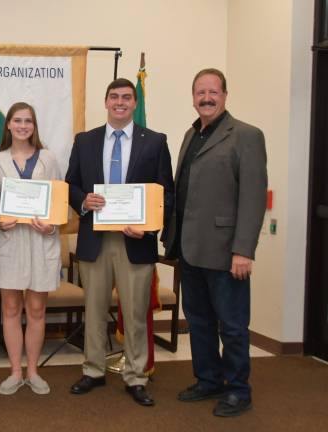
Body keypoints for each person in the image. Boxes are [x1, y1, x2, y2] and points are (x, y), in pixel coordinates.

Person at [163, 68, 267, 417]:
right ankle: (208, 380)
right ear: (193, 97)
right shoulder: (191, 135)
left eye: (213, 91)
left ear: (225, 95)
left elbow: (252, 198)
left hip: (226, 252)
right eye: (200, 92)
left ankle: (239, 389)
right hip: (190, 249)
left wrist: (243, 250)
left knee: (233, 325)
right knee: (199, 320)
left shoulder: (246, 136)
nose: (206, 98)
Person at [65, 78, 174, 406]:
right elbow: (71, 184)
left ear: (135, 103)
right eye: (114, 97)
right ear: (106, 101)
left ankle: (136, 375)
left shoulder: (155, 142)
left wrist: (148, 226)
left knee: (135, 311)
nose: (120, 102)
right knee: (94, 308)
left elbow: (165, 193)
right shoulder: (85, 140)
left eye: (127, 97)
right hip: (95, 240)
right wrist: (85, 201)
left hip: (135, 241)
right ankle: (93, 370)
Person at [0, 102, 61, 395]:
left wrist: (52, 225)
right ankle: (15, 371)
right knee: (10, 308)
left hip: (41, 241)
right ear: (8, 124)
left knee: (36, 309)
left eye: (28, 121)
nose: (22, 126)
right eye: (17, 120)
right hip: (10, 241)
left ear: (34, 126)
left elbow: (59, 197)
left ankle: (33, 371)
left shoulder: (49, 158)